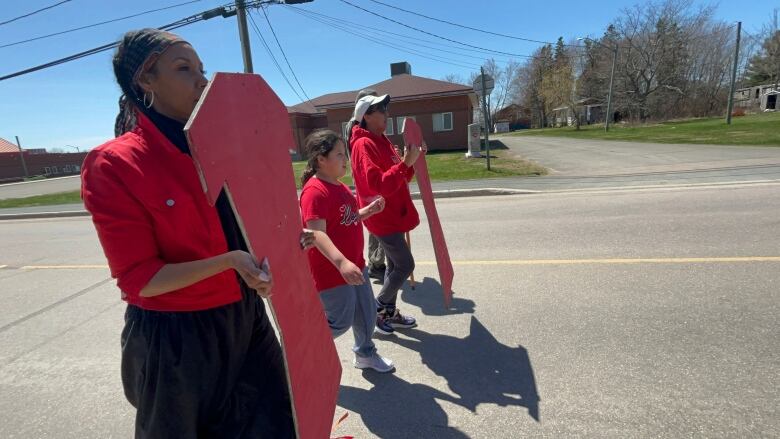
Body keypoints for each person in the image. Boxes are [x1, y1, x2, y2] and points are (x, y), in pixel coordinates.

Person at [81, 28, 298, 438]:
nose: (202, 80)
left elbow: (248, 231)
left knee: (278, 424)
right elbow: (140, 279)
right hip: (177, 337)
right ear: (146, 81)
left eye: (202, 68)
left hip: (244, 316)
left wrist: (276, 251)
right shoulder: (115, 164)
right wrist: (232, 263)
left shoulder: (222, 147)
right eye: (184, 69)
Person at [299, 129, 394, 372]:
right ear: (321, 159)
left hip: (355, 265)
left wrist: (368, 211)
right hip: (332, 271)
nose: (346, 159)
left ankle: (365, 354)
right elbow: (316, 233)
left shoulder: (339, 187)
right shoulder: (314, 191)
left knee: (367, 313)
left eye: (345, 153)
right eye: (340, 154)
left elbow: (346, 219)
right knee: (339, 321)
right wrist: (341, 263)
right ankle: (298, 348)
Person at [346, 93, 426, 335]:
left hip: (394, 214)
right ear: (367, 116)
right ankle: (379, 307)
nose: (386, 113)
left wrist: (410, 161)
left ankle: (388, 312)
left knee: (394, 266)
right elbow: (378, 184)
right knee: (405, 264)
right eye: (381, 109)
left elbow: (401, 179)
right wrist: (404, 164)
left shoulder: (383, 141)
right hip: (382, 217)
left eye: (385, 108)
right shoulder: (363, 145)